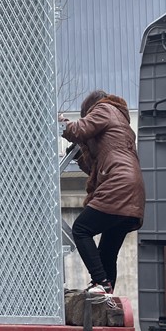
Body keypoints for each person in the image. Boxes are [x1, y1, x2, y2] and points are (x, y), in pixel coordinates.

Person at [59, 89, 145, 297]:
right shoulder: (118, 122)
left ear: (90, 109)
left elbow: (78, 130)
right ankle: (107, 296)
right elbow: (94, 169)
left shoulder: (105, 108)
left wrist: (61, 122)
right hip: (132, 189)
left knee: (81, 229)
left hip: (118, 184)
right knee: (107, 251)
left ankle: (100, 282)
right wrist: (81, 154)